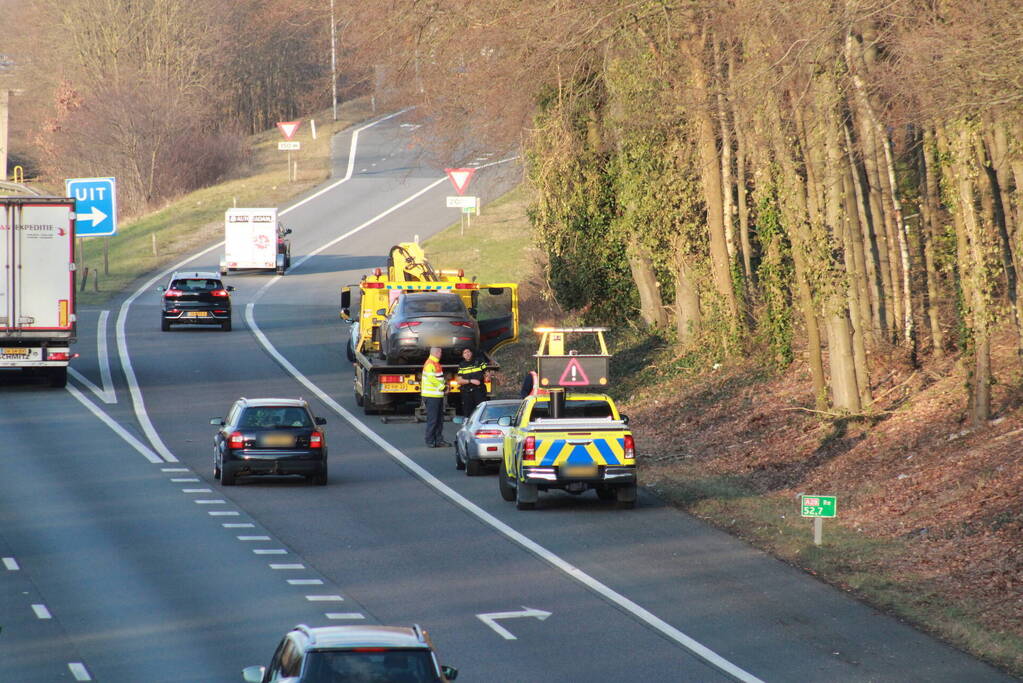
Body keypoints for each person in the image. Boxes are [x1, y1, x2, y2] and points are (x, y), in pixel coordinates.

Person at [421, 346, 448, 447]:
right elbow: (431, 378)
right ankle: (430, 440)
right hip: (431, 395)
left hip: (436, 395)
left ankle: (438, 440)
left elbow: (438, 378)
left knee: (439, 419)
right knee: (433, 419)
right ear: (436, 353)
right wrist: (442, 387)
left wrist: (444, 386)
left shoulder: (435, 363)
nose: (441, 354)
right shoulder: (430, 363)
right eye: (440, 352)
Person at [455, 347, 490, 418]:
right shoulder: (461, 365)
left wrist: (488, 376)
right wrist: (471, 381)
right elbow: (459, 381)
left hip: (479, 390)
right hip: (467, 391)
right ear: (463, 355)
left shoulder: (479, 361)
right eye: (465, 353)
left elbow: (487, 372)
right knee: (468, 411)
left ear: (471, 353)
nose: (467, 354)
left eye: (468, 352)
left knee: (481, 410)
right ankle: (468, 424)